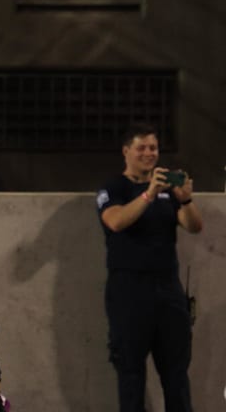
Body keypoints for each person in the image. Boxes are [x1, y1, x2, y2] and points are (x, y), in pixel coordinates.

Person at [96, 124, 202, 412]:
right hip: (129, 291)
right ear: (126, 151)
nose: (148, 153)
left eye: (153, 148)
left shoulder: (169, 190)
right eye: (141, 147)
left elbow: (194, 226)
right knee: (131, 373)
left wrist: (186, 199)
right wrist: (149, 193)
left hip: (168, 289)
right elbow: (116, 221)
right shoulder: (114, 188)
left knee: (176, 374)